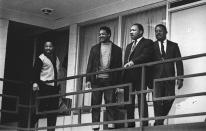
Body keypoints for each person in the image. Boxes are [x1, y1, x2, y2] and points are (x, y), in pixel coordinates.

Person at [86, 26, 122, 131]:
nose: (101, 36)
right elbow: (90, 65)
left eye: (103, 34)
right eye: (100, 34)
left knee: (110, 103)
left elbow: (119, 67)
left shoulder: (117, 49)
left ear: (109, 35)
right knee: (95, 104)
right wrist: (88, 79)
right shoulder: (94, 48)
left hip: (110, 81)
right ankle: (95, 126)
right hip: (96, 81)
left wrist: (119, 84)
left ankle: (111, 126)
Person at [123, 23, 154, 127]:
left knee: (141, 100)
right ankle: (130, 125)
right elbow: (125, 62)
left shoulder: (148, 42)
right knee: (129, 102)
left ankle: (144, 124)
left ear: (141, 31)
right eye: (130, 30)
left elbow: (145, 56)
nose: (131, 32)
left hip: (141, 75)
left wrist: (133, 62)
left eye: (134, 30)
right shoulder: (128, 46)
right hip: (128, 78)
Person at [152, 24, 184, 125]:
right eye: (156, 31)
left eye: (160, 31)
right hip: (156, 78)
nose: (158, 33)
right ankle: (159, 123)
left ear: (166, 32)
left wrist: (180, 78)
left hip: (170, 76)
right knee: (157, 101)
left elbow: (179, 62)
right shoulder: (152, 46)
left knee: (170, 98)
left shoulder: (173, 45)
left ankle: (158, 121)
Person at [32, 41, 60, 131]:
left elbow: (58, 72)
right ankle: (29, 126)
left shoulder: (56, 58)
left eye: (50, 46)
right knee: (40, 109)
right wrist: (35, 83)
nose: (48, 48)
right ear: (44, 47)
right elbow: (35, 72)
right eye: (46, 46)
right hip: (44, 87)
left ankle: (51, 130)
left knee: (53, 111)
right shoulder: (41, 58)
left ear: (53, 47)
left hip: (54, 88)